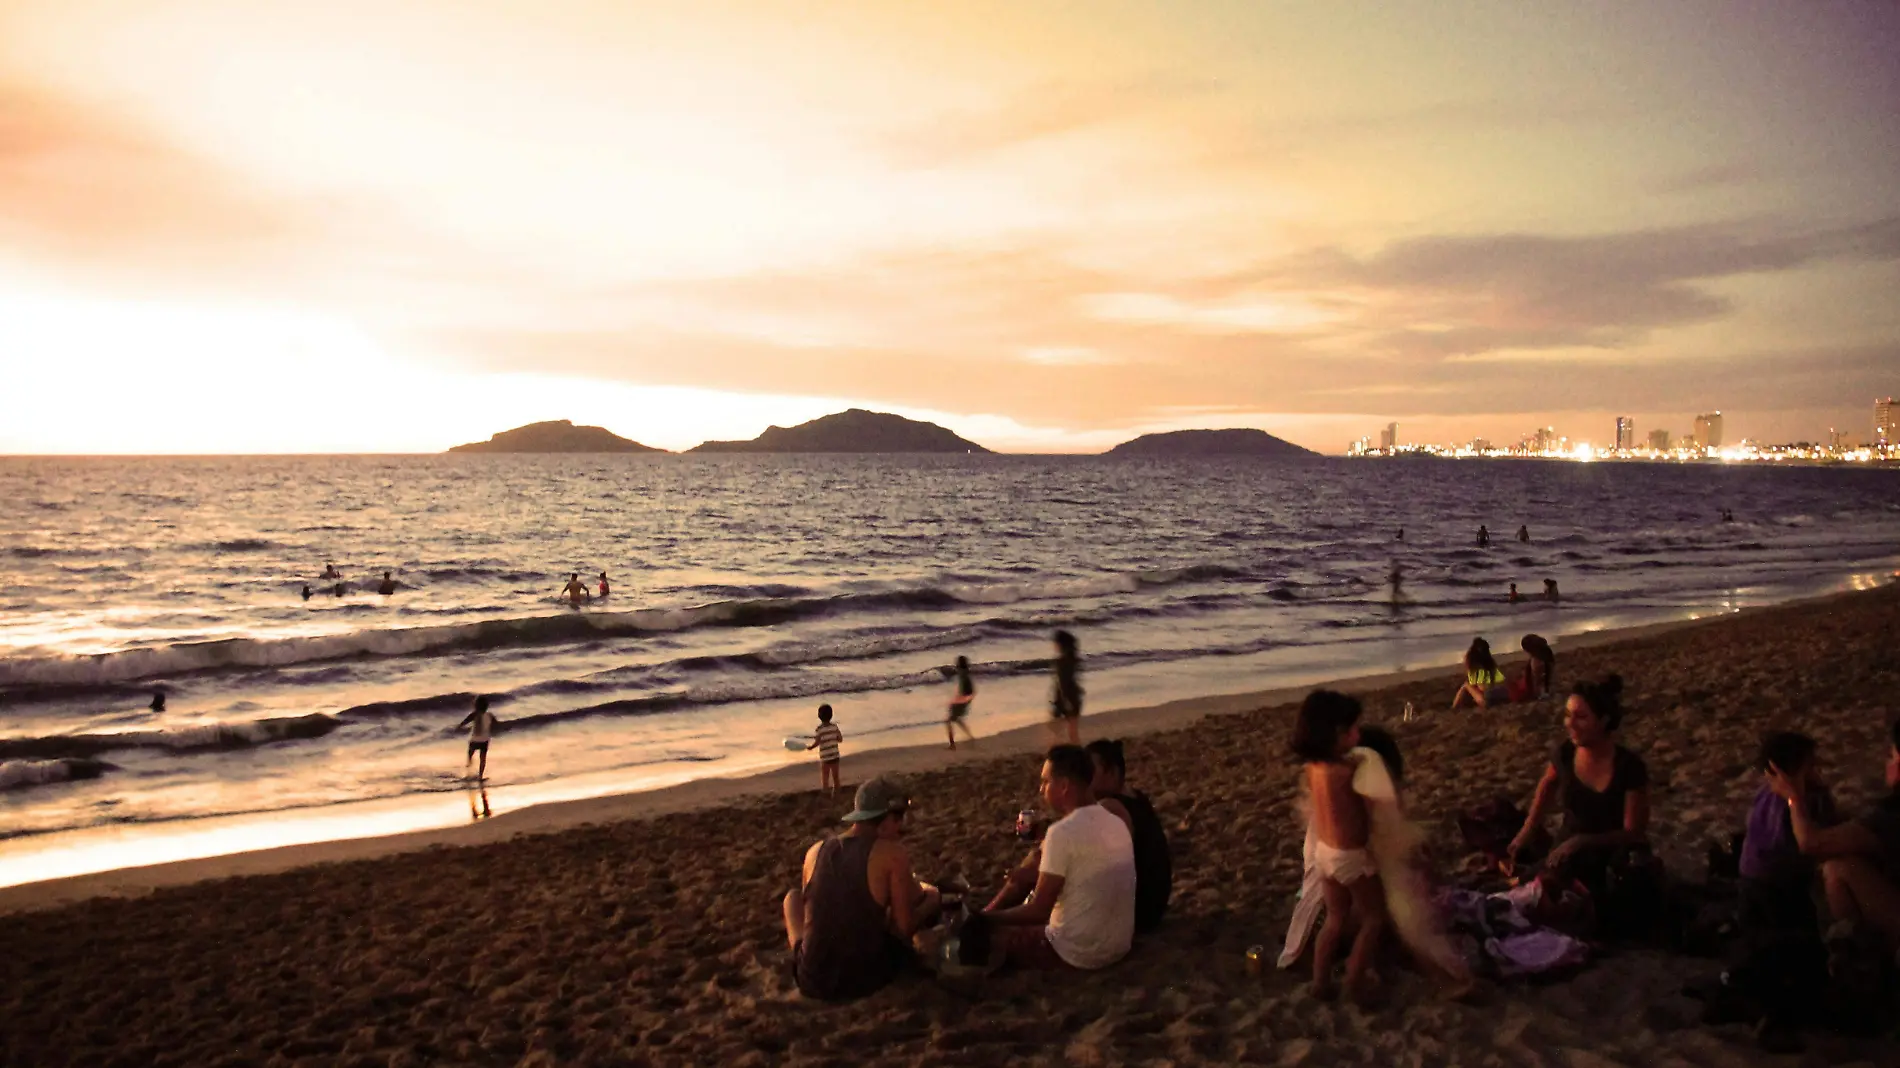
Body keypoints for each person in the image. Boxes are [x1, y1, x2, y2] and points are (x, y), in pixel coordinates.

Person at [782, 778, 939, 1001]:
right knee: (931, 896)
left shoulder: (815, 851)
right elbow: (903, 928)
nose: (900, 827)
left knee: (792, 898)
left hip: (811, 979)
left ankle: (799, 948)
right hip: (865, 978)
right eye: (898, 819)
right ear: (885, 821)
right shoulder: (891, 853)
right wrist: (930, 898)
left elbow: (819, 909)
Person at [984, 745, 1136, 970]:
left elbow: (1039, 911)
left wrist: (988, 919)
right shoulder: (1116, 822)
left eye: (1046, 782)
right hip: (1119, 944)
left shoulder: (1061, 832)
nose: (1040, 789)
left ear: (1064, 786)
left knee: (988, 938)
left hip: (1078, 952)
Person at [1508, 675, 1651, 905]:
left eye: (1581, 717)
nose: (1570, 723)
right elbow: (1547, 785)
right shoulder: (1565, 754)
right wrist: (1526, 831)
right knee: (1520, 890)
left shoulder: (1629, 766)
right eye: (1567, 715)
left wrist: (1583, 841)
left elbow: (1633, 832)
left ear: (1604, 720)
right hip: (1564, 853)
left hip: (1611, 857)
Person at [1764, 718, 1900, 957]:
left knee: (1838, 868)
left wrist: (1793, 798)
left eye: (1891, 756)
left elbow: (1811, 843)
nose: (1886, 762)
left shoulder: (1892, 815)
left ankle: (1853, 958)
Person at [1290, 690, 1387, 1003]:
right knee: (1374, 917)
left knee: (1335, 919)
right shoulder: (1349, 772)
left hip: (1324, 856)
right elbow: (1371, 812)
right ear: (1337, 733)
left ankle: (1320, 982)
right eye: (1354, 730)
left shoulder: (1313, 769)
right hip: (1351, 857)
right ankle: (1353, 980)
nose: (1359, 736)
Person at [1741, 732, 1837, 934]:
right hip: (1777, 886)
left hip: (1754, 881)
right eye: (1810, 767)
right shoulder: (1789, 804)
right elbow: (1804, 846)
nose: (1815, 772)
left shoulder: (1765, 794)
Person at [1085, 739, 1172, 933]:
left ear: (1113, 772)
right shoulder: (1136, 796)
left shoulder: (1110, 807)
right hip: (1155, 905)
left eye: (1091, 770)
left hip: (1137, 912)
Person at [1450, 637, 1508, 710]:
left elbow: (1481, 687)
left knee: (1466, 685)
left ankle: (1454, 707)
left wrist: (1468, 668)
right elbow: (1501, 681)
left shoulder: (1476, 669)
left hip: (1489, 701)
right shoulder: (1492, 666)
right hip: (1504, 697)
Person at [1050, 631, 1083, 745]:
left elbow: (1062, 683)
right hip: (1074, 695)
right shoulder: (1072, 660)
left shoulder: (1061, 662)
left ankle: (1062, 753)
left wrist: (1063, 701)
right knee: (1071, 730)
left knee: (1059, 730)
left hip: (1065, 697)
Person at [458, 695, 497, 780]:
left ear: (475, 705)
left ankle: (469, 768)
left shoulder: (474, 714)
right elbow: (496, 725)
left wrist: (459, 727)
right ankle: (480, 776)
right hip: (485, 740)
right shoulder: (490, 715)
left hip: (475, 740)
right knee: (482, 759)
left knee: (470, 753)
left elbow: (464, 722)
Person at [808, 704, 843, 796]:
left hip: (825, 757)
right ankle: (836, 793)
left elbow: (818, 742)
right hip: (835, 755)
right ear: (831, 715)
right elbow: (840, 739)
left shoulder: (819, 729)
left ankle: (826, 792)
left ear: (819, 716)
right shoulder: (834, 727)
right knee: (836, 777)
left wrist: (811, 747)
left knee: (825, 776)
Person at [945, 656, 977, 750]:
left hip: (962, 701)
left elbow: (968, 691)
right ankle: (970, 737)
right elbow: (966, 690)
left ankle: (952, 745)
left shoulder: (963, 675)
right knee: (956, 719)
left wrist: (959, 701)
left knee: (949, 721)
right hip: (962, 701)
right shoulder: (964, 674)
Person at [1512, 633, 1556, 700]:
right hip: (1539, 684)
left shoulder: (1539, 662)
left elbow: (1537, 679)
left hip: (1536, 688)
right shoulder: (1544, 653)